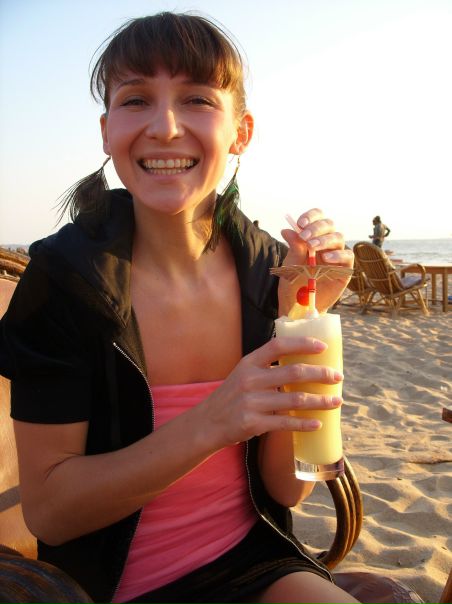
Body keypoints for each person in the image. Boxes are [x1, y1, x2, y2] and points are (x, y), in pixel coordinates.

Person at [0, 12, 358, 604]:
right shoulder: (65, 282)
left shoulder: (269, 272)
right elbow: (51, 514)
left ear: (241, 131)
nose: (165, 127)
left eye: (196, 99)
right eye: (136, 100)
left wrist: (304, 319)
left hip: (255, 563)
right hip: (108, 589)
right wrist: (212, 422)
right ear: (107, 130)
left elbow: (286, 489)